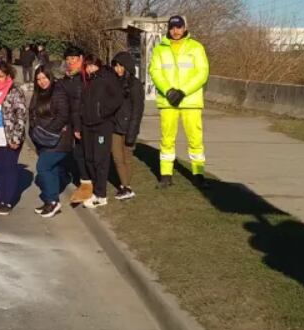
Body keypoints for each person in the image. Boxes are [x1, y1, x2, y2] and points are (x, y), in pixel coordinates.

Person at [148, 15, 210, 188]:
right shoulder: (160, 49)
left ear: (184, 28)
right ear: (168, 28)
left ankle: (198, 174)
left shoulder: (196, 47)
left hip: (190, 101)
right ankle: (166, 175)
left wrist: (183, 91)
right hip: (169, 102)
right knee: (167, 139)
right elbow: (155, 71)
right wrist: (168, 91)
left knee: (195, 139)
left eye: (179, 27)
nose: (175, 31)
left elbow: (202, 73)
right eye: (172, 27)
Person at [78, 53, 123, 208]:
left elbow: (117, 98)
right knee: (89, 159)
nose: (90, 69)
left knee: (100, 160)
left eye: (92, 65)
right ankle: (96, 190)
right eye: (87, 66)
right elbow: (82, 103)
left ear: (98, 64)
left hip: (102, 125)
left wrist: (103, 112)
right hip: (87, 125)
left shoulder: (107, 78)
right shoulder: (87, 81)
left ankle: (101, 194)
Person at [0, 60, 27, 215]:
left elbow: (21, 116)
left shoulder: (15, 91)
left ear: (8, 76)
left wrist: (16, 138)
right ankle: (0, 200)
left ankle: (7, 202)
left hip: (10, 138)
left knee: (9, 168)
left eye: (1, 76)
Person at [29, 65, 71, 217]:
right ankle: (50, 200)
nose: (42, 82)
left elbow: (63, 116)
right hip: (42, 139)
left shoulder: (58, 92)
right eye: (38, 79)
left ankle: (52, 202)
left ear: (50, 77)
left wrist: (48, 131)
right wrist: (34, 132)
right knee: (51, 169)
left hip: (59, 140)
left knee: (43, 167)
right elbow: (32, 114)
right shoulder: (38, 94)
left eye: (44, 78)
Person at [110, 51, 144, 200]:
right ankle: (125, 186)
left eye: (120, 66)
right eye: (115, 66)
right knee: (117, 158)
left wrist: (132, 132)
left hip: (129, 127)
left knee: (127, 158)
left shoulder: (135, 85)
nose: (117, 69)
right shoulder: (112, 82)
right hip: (114, 127)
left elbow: (137, 110)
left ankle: (126, 187)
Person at [61, 45, 89, 203]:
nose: (70, 62)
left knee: (82, 153)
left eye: (74, 59)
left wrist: (79, 125)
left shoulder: (85, 78)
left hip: (83, 121)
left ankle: (86, 182)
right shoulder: (66, 79)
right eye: (68, 59)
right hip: (68, 121)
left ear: (81, 59)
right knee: (68, 151)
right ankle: (77, 178)